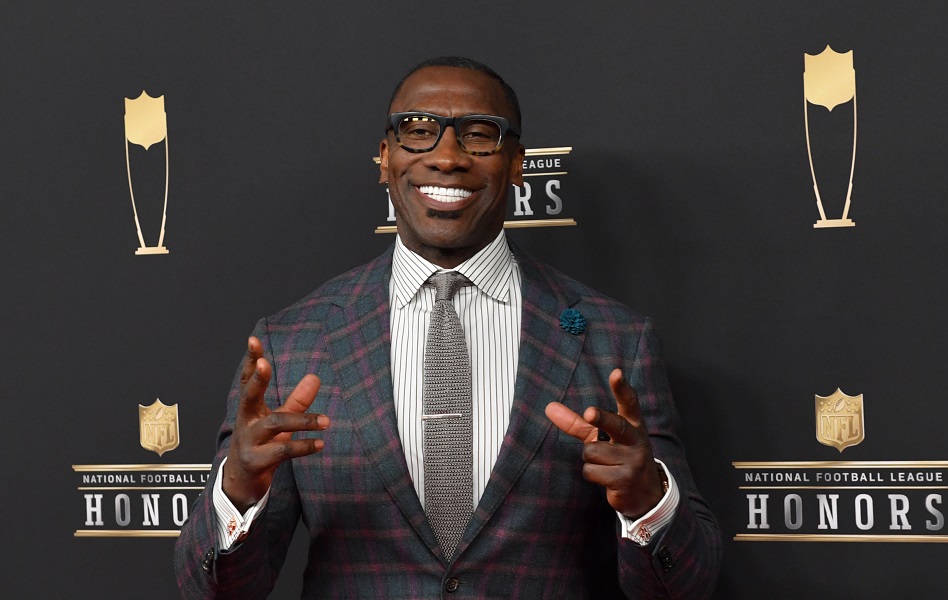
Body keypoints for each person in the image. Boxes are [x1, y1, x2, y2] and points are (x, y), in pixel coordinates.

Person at [175, 56, 722, 599]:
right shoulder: (291, 343)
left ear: (516, 165)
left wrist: (648, 503)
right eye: (419, 131)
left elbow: (686, 587)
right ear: (385, 158)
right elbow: (214, 592)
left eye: (479, 136)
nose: (447, 156)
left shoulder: (615, 340)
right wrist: (237, 493)